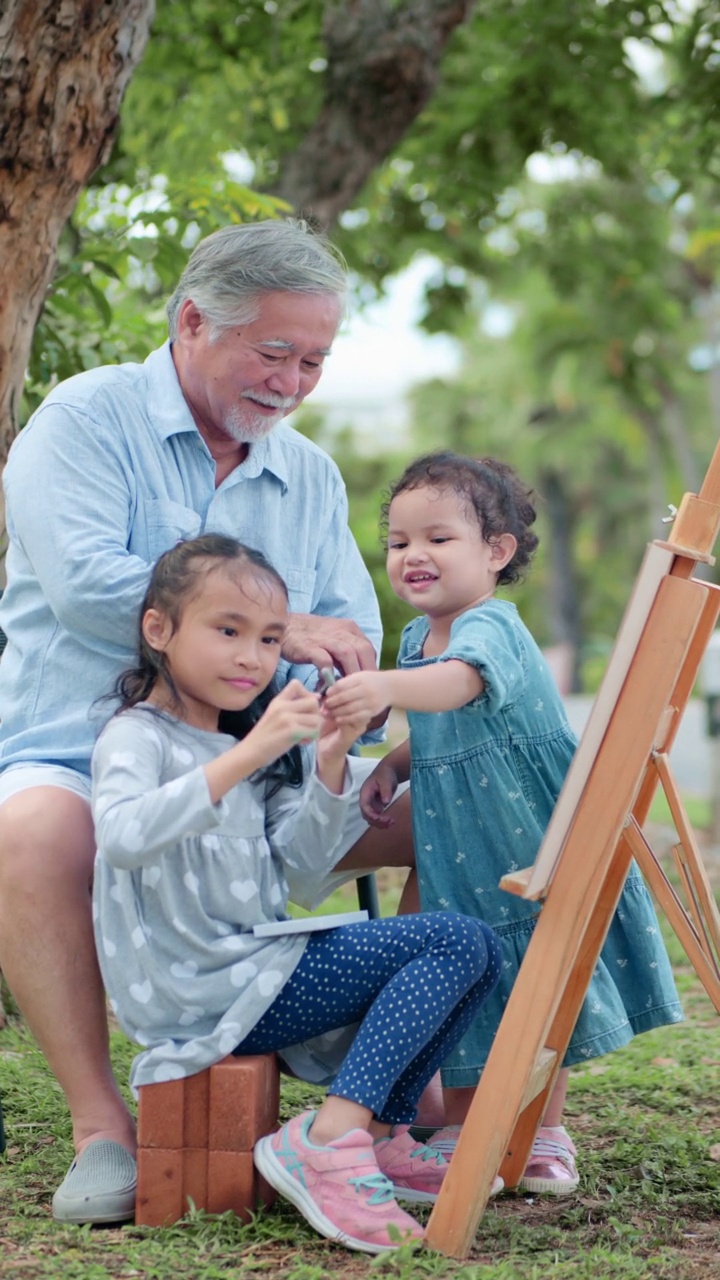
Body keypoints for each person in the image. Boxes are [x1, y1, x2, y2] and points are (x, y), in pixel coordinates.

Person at [0, 218, 414, 1225]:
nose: (293, 381)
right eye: (275, 352)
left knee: (445, 804)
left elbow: (351, 625)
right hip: (78, 748)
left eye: (314, 360)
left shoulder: (305, 469)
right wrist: (285, 633)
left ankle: (403, 1114)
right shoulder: (88, 416)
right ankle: (103, 1125)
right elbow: (95, 587)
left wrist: (329, 672)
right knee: (32, 827)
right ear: (193, 321)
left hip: (267, 763)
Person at [91, 534, 502, 1253]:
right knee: (455, 940)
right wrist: (253, 751)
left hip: (254, 973)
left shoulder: (250, 748)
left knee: (477, 949)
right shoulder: (137, 738)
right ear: (159, 630)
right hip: (201, 993)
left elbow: (305, 876)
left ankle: (374, 1137)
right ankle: (328, 1140)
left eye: (270, 639)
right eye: (228, 631)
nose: (253, 657)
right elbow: (123, 835)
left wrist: (331, 756)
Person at [324, 451, 684, 1195]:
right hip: (459, 852)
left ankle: (543, 1133)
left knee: (534, 986)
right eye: (398, 543)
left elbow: (459, 687)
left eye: (437, 538)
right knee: (467, 987)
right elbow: (434, 724)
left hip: (529, 840)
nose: (413, 555)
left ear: (496, 552)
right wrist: (395, 763)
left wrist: (386, 687)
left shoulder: (494, 627)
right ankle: (461, 1127)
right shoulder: (415, 641)